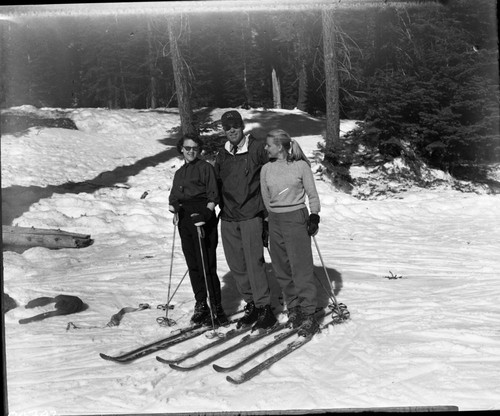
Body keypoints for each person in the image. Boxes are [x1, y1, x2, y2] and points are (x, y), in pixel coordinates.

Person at [214, 110, 277, 332]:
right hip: (229, 217)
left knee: (254, 263)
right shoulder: (222, 155)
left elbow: (275, 164)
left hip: (251, 214)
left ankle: (264, 307)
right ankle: (252, 304)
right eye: (227, 127)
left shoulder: (257, 148)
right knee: (237, 265)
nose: (231, 130)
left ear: (242, 126)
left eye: (235, 126)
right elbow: (215, 184)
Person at [260, 129, 321, 336]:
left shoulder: (300, 166)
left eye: (269, 145)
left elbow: (312, 193)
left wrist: (314, 215)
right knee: (281, 267)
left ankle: (309, 312)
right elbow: (266, 198)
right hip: (275, 219)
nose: (266, 148)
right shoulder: (266, 169)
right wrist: (267, 222)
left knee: (300, 267)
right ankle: (294, 307)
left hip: (296, 217)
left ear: (280, 146)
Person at [169, 134, 228, 327]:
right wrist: (174, 206)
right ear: (182, 149)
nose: (191, 151)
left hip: (202, 217)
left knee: (206, 265)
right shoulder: (180, 172)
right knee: (193, 264)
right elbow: (174, 196)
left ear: (199, 149)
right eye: (187, 148)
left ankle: (217, 308)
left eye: (194, 148)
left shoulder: (206, 168)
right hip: (185, 219)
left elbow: (213, 196)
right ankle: (201, 304)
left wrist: (205, 214)